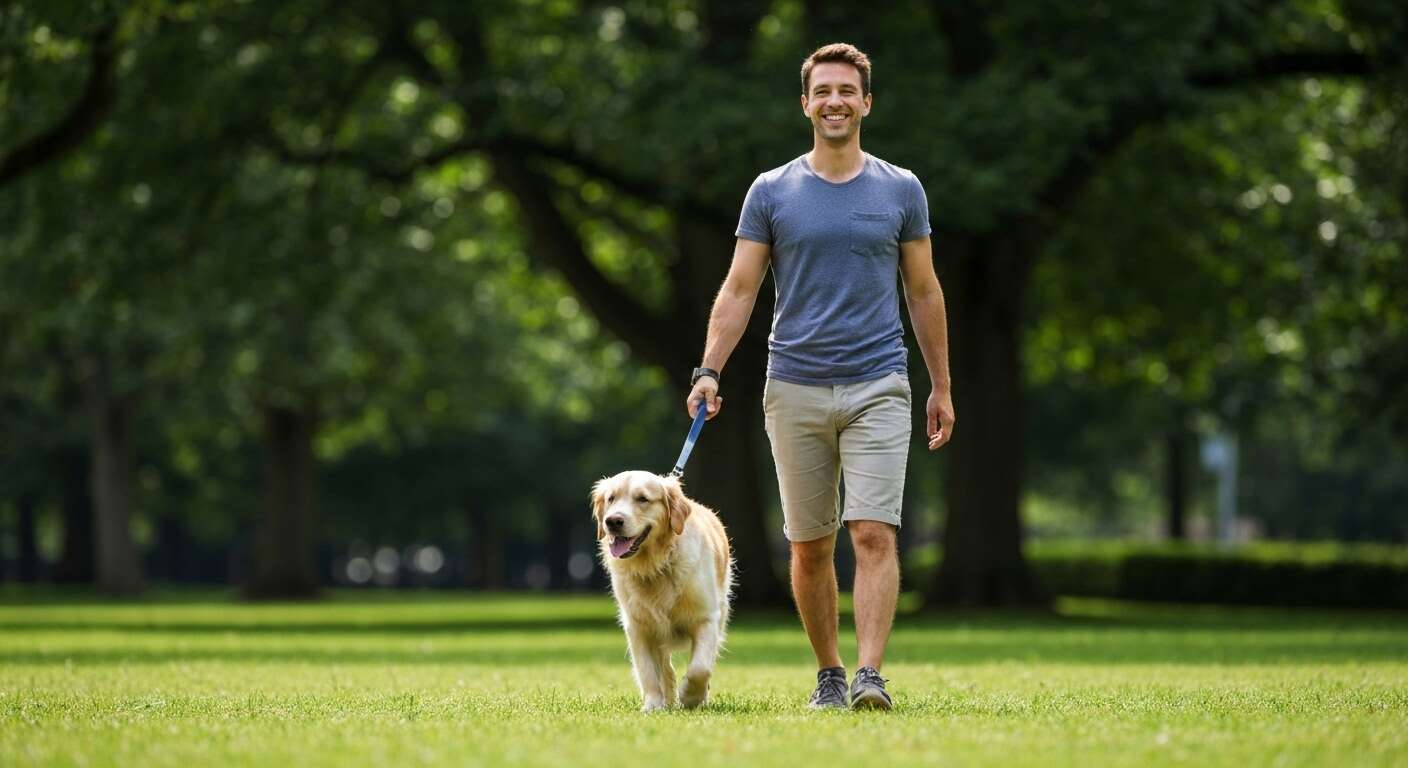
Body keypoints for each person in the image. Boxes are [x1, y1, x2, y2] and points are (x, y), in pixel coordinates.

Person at [685, 42, 954, 711]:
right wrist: (709, 369)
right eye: (824, 91)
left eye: (847, 91)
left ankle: (870, 674)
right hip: (794, 386)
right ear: (806, 104)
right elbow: (740, 288)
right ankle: (830, 673)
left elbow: (923, 291)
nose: (836, 101)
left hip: (879, 382)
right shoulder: (772, 191)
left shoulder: (901, 189)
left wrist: (941, 385)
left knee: (873, 532)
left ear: (867, 103)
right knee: (809, 547)